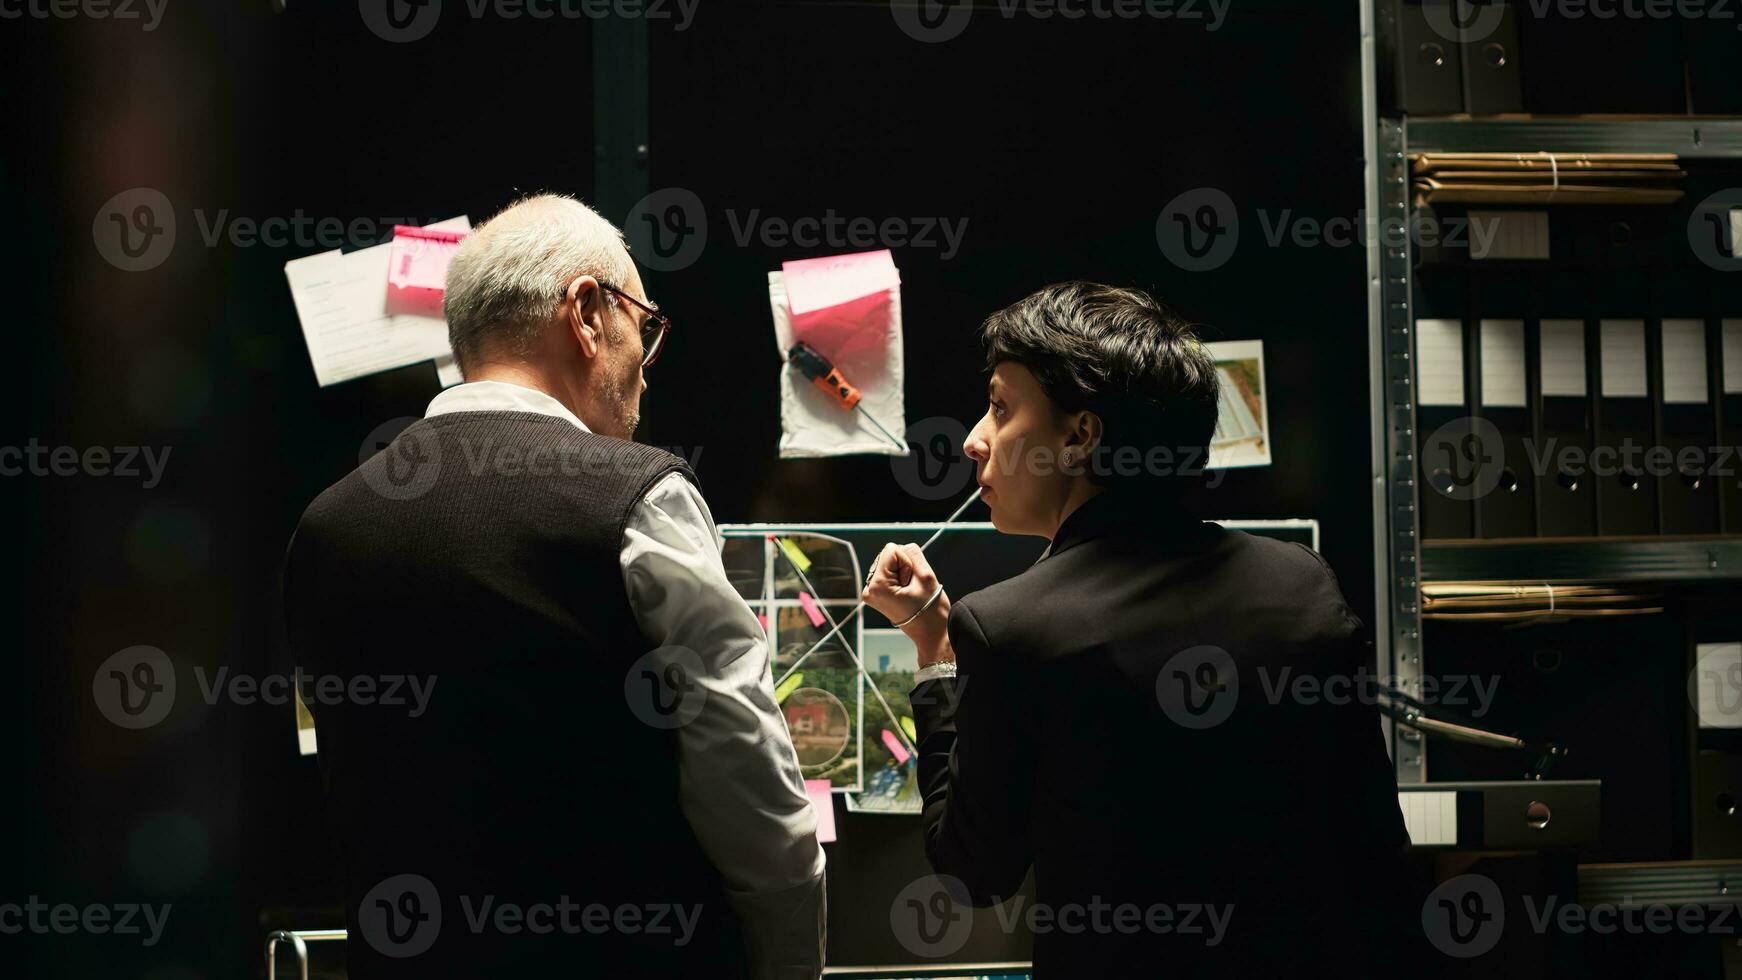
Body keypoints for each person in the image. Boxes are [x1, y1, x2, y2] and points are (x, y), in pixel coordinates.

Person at [282, 194, 825, 979]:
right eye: (645, 326)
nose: (645, 365)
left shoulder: (325, 527)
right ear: (587, 312)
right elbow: (751, 790)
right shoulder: (638, 498)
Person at [862, 281, 1413, 977]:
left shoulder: (1006, 629)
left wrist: (938, 656)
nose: (974, 440)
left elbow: (974, 871)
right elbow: (1375, 850)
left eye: (1001, 407)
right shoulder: (1302, 585)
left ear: (1080, 435)